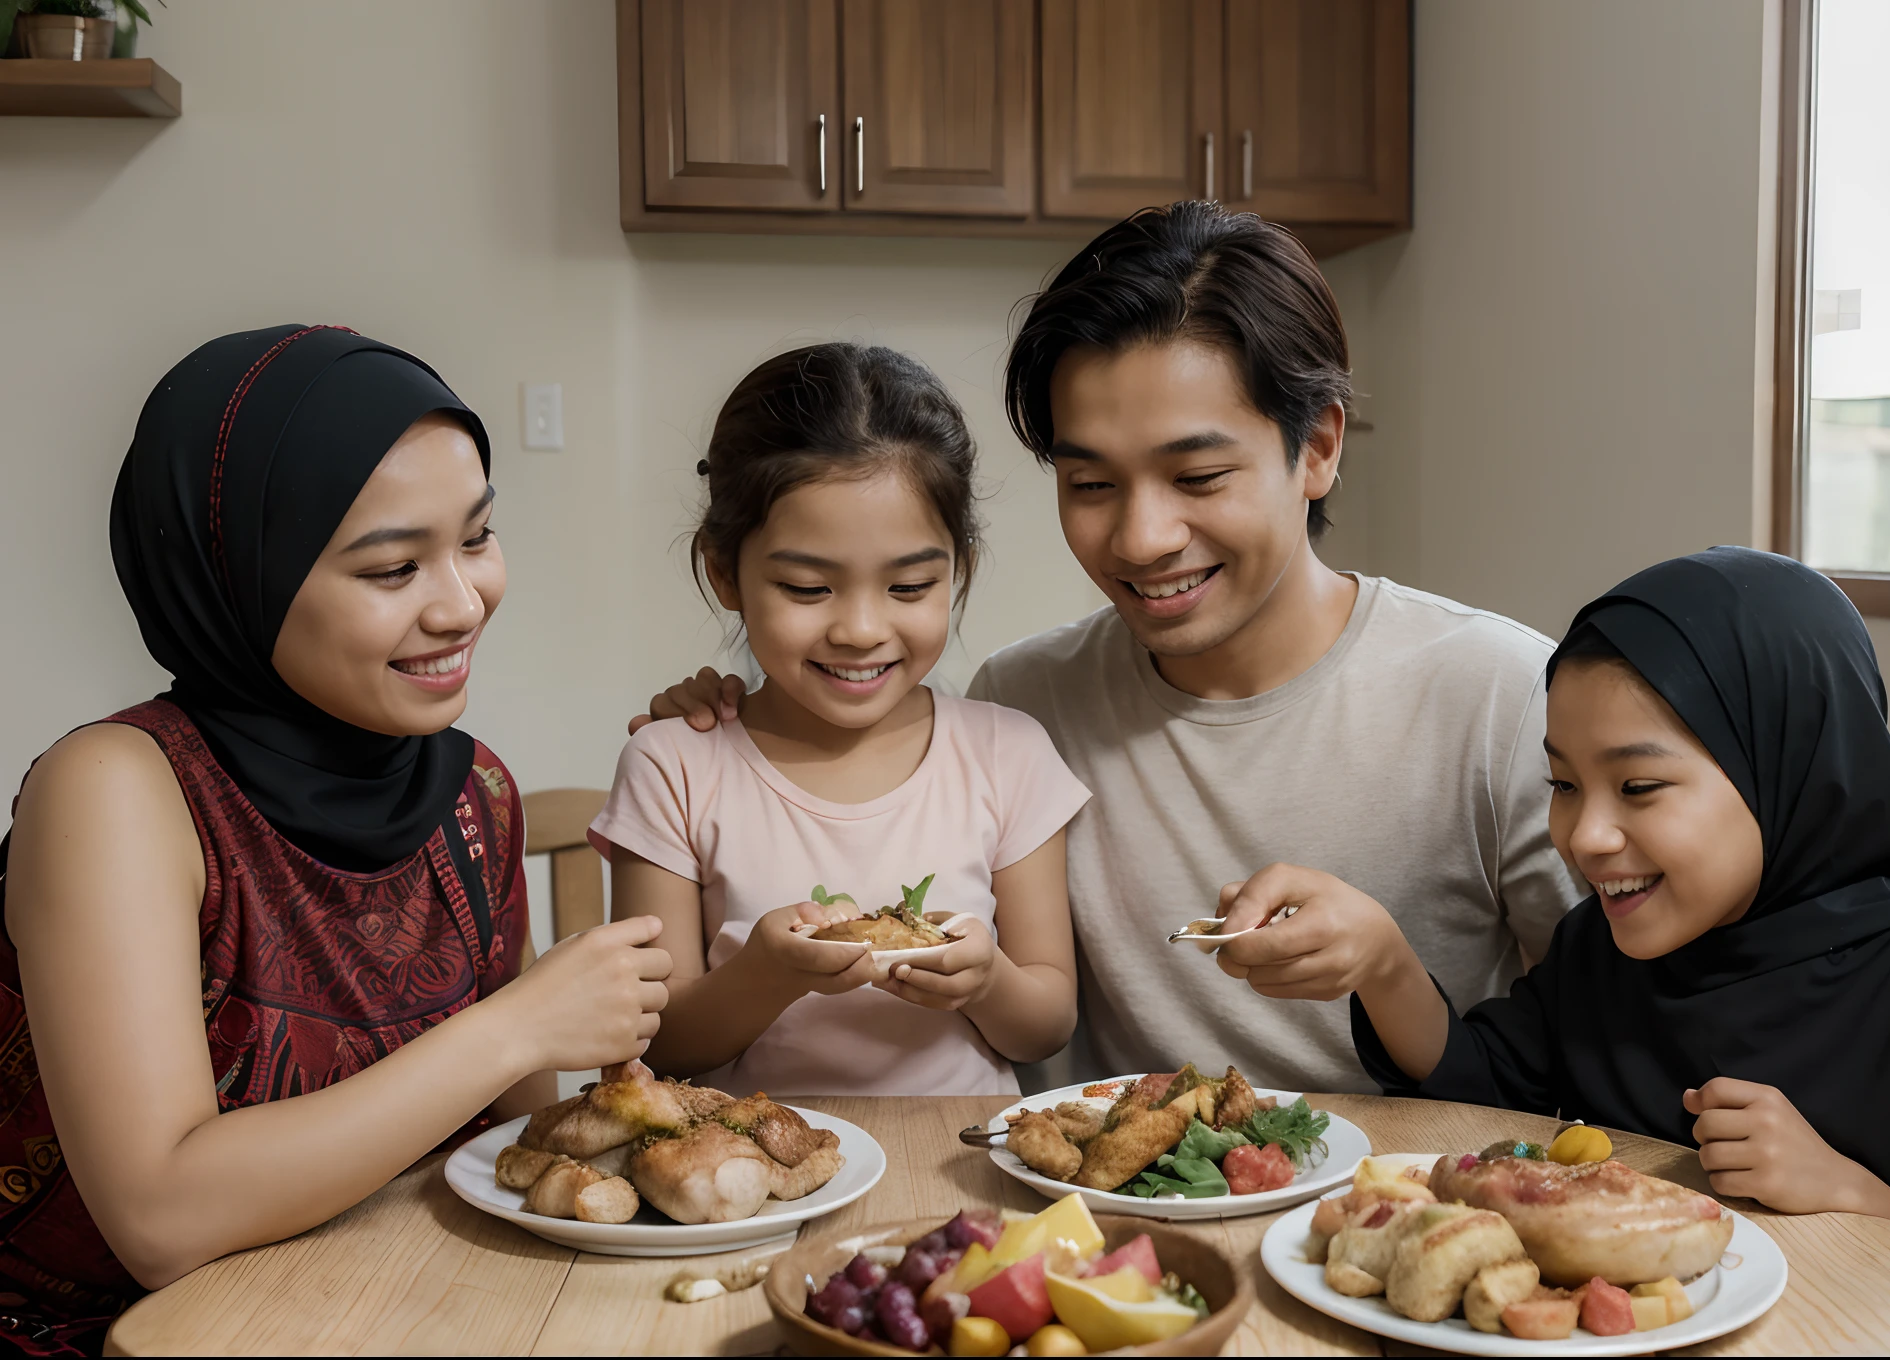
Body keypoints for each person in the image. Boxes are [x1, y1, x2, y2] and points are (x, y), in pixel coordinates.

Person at [642, 203, 1579, 1092]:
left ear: (1319, 446)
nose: (1141, 538)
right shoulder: (1029, 698)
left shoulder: (1502, 698)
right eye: (1090, 483)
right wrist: (715, 719)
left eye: (1198, 475)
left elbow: (1616, 1031)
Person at [0, 325, 671, 1355]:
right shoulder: (116, 792)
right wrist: (515, 1028)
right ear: (241, 576)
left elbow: (515, 1163)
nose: (462, 603)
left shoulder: (471, 790)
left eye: (477, 538)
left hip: (394, 1315)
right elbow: (161, 1220)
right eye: (394, 567)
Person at [1221, 547, 1890, 1283]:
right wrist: (1385, 962)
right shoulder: (1603, 947)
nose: (1586, 836)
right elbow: (1481, 1089)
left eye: (1640, 788)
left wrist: (1848, 1191)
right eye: (1564, 785)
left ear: (1784, 770)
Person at [590, 343, 1089, 1097]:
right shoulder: (674, 766)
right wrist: (765, 975)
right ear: (725, 573)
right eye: (807, 587)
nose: (861, 628)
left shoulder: (1006, 753)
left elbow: (1049, 1022)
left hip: (959, 1170)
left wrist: (986, 981)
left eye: (911, 585)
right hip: (750, 1178)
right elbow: (658, 1049)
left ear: (959, 572)